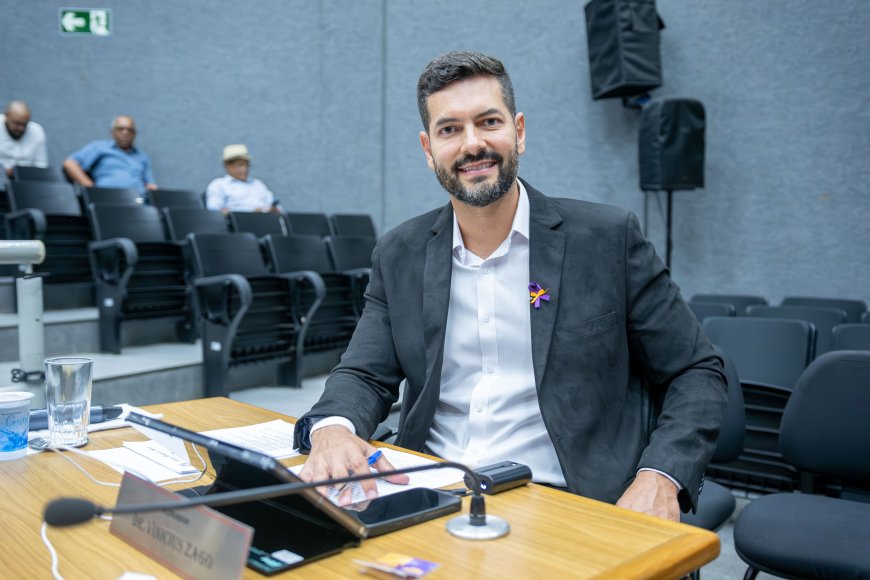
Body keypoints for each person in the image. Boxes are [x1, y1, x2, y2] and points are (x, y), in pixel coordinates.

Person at [293, 51, 727, 522]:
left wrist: (661, 476)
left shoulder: (606, 239)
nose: (472, 144)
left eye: (488, 122)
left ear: (518, 131)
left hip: (570, 500)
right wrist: (333, 429)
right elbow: (363, 373)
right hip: (433, 494)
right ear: (427, 148)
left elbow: (696, 371)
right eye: (450, 129)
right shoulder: (399, 252)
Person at [63, 115, 157, 195]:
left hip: (139, 203)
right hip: (108, 199)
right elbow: (70, 163)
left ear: (135, 134)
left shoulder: (142, 156)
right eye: (120, 129)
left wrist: (152, 190)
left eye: (130, 130)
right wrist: (90, 188)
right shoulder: (99, 148)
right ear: (113, 132)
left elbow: (150, 184)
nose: (125, 133)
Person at [205, 144, 280, 215]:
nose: (245, 169)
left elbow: (277, 207)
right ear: (228, 166)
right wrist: (251, 213)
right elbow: (215, 212)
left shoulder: (258, 184)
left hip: (267, 222)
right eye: (240, 165)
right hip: (239, 225)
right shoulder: (219, 185)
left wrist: (273, 210)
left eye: (247, 165)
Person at [0, 100, 48, 177]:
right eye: (17, 124)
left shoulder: (37, 131)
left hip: (26, 181)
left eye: (25, 124)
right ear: (6, 116)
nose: (21, 128)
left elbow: (41, 167)